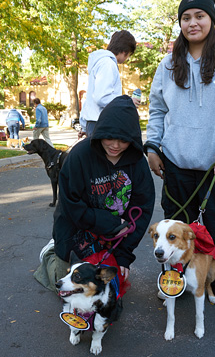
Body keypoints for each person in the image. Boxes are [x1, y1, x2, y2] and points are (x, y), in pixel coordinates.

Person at [146, 0, 215, 310]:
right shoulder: (168, 64)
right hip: (176, 163)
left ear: (211, 19)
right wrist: (152, 148)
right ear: (180, 23)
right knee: (175, 235)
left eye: (199, 16)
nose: (192, 23)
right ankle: (174, 282)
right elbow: (156, 111)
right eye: (186, 17)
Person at [34, 95, 155, 294]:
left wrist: (124, 254)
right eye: (110, 137)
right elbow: (71, 205)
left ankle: (108, 255)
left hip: (113, 235)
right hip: (76, 228)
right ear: (100, 133)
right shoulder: (79, 155)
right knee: (67, 288)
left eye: (123, 140)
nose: (115, 145)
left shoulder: (137, 162)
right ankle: (50, 254)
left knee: (108, 289)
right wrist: (109, 222)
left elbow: (142, 210)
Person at [78, 30, 140, 138]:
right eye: (129, 55)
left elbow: (91, 99)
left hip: (94, 123)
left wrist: (85, 126)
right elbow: (102, 97)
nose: (127, 59)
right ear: (125, 51)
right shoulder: (108, 64)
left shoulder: (101, 62)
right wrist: (128, 102)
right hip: (102, 123)